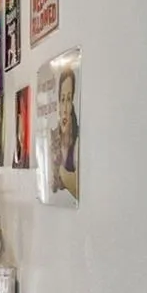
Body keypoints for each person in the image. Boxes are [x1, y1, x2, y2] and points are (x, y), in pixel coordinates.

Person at [52, 68, 80, 201]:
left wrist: (63, 173)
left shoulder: (78, 143)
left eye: (68, 99)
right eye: (62, 99)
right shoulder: (53, 142)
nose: (65, 109)